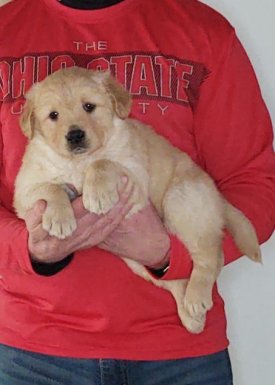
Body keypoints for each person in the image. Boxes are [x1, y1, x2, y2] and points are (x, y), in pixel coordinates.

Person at [0, 0, 274, 384]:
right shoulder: (4, 30)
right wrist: (27, 251)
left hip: (180, 356)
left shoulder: (204, 31)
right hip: (33, 354)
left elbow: (254, 186)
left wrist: (168, 255)